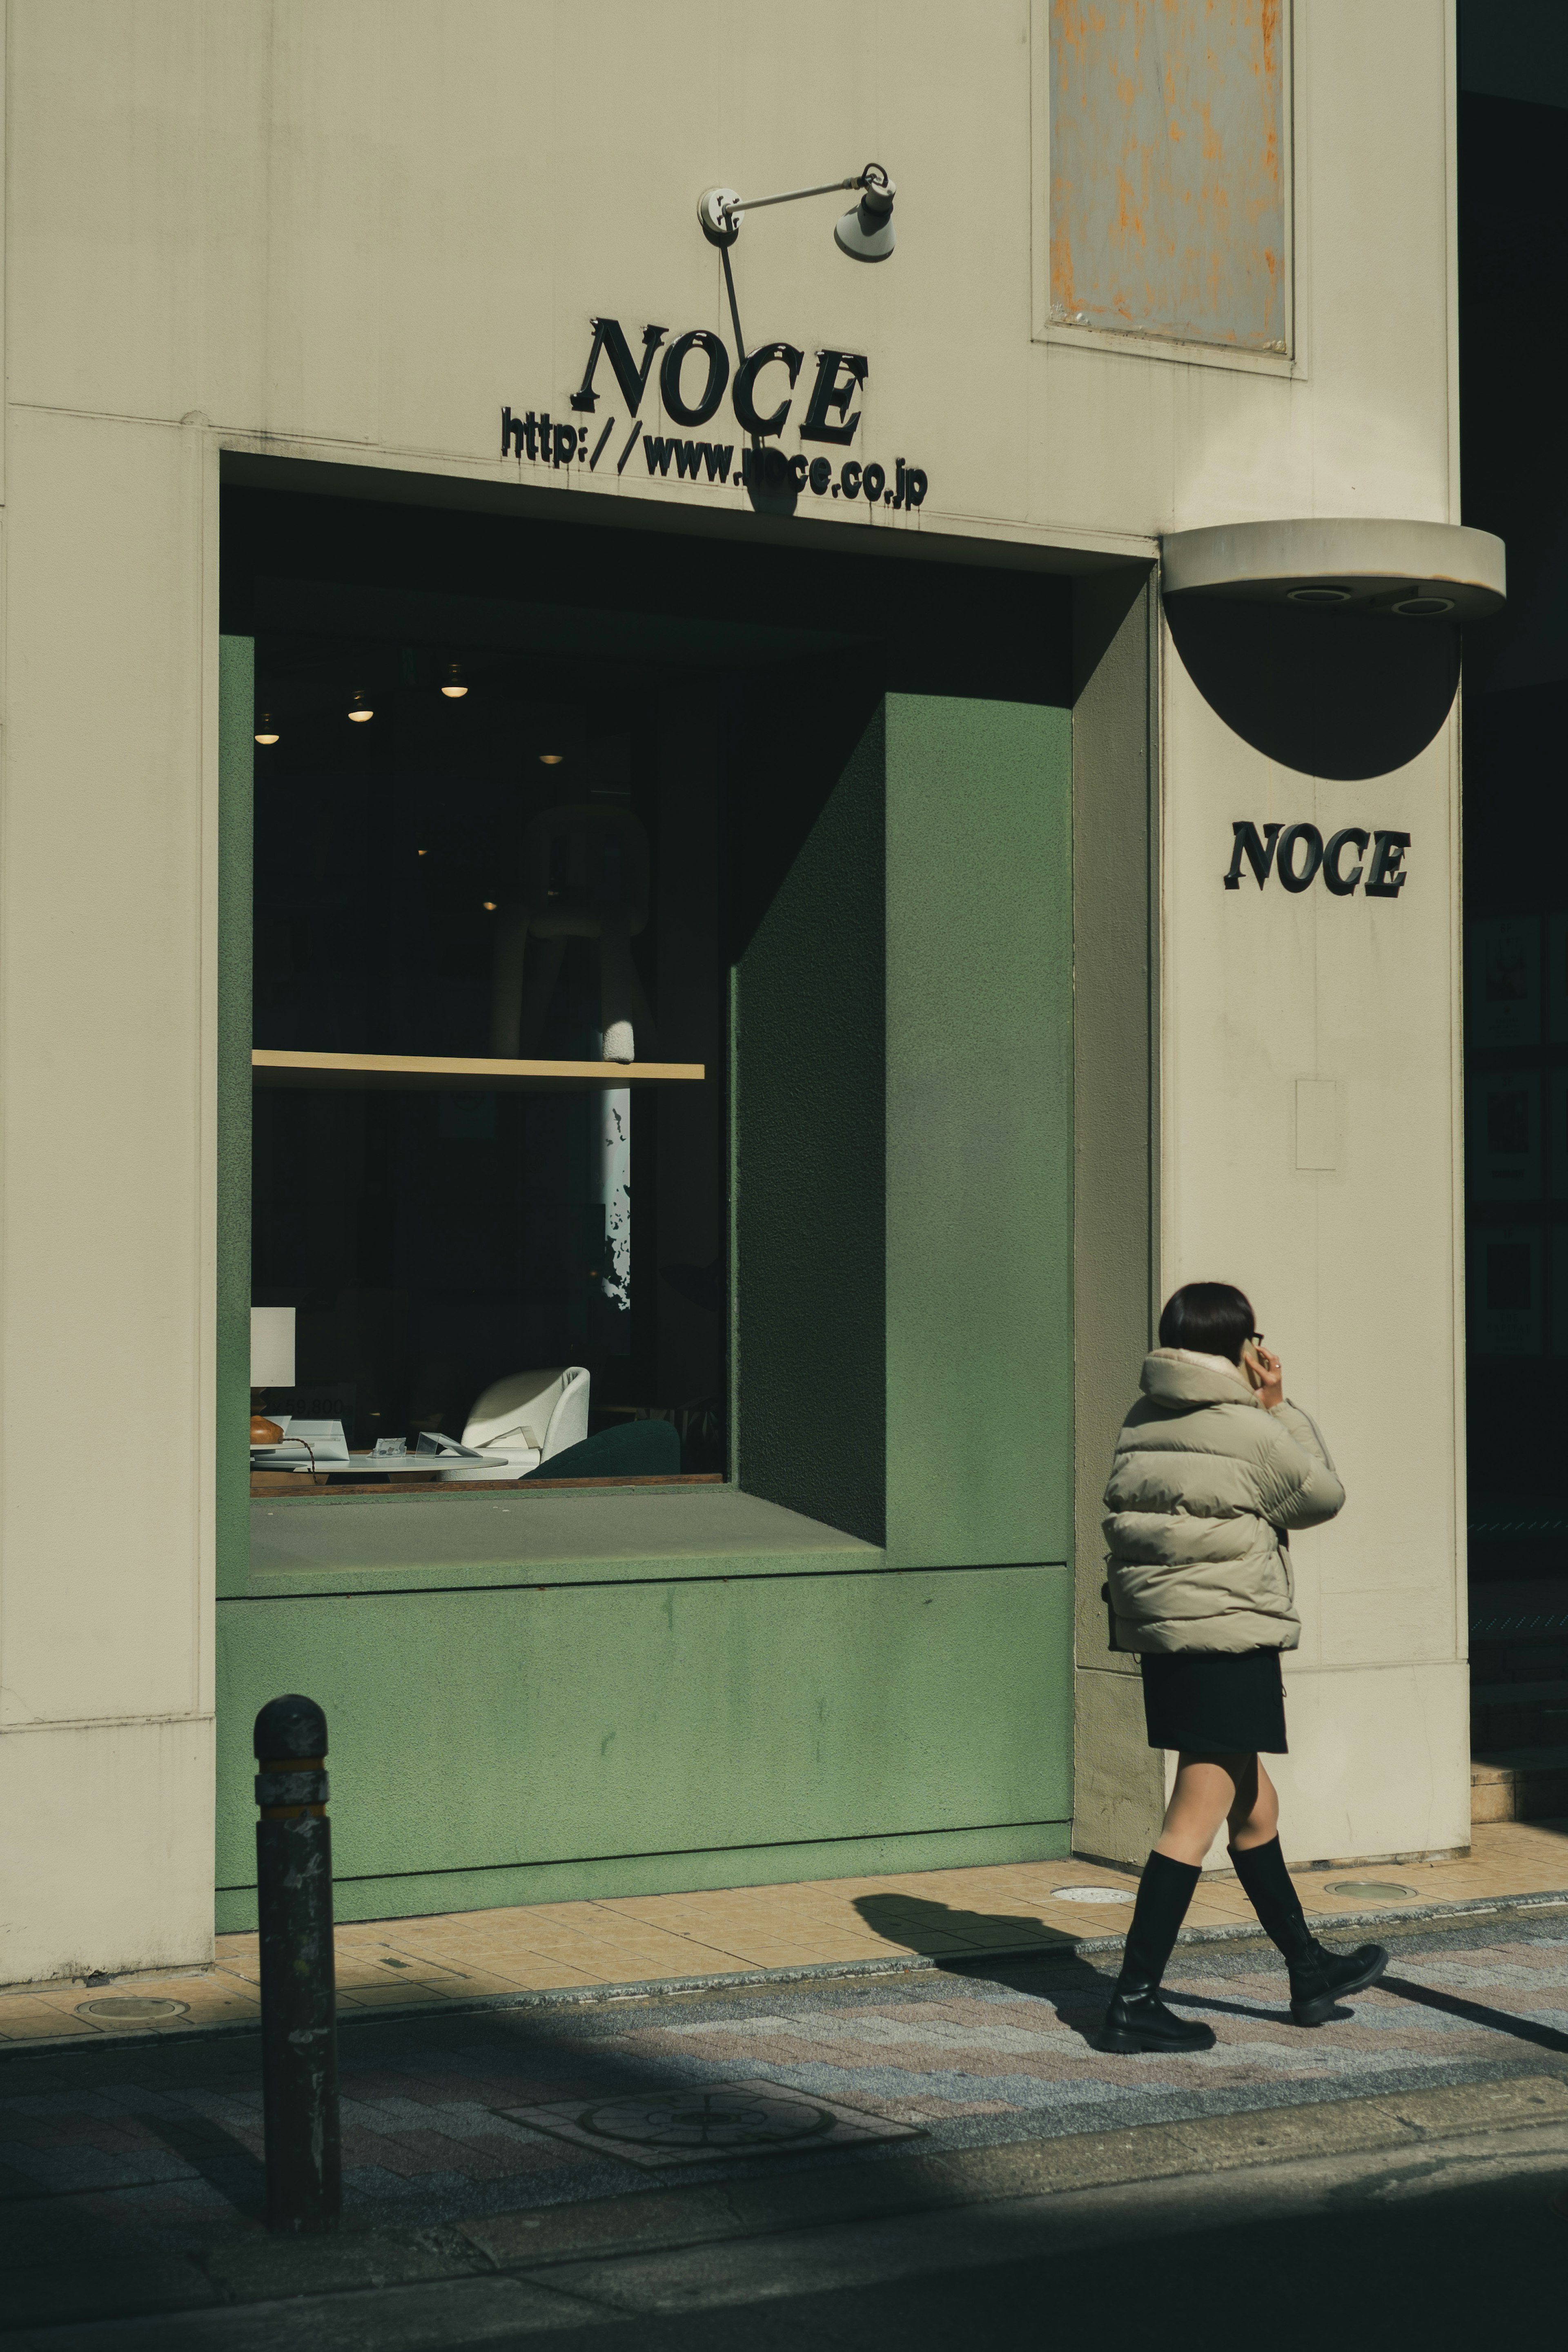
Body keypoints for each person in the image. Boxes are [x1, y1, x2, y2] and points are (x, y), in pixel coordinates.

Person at [1096, 1281, 1387, 2053]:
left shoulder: (1140, 1420)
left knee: (1254, 1807)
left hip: (1170, 1639)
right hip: (1227, 1639)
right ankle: (1132, 2002)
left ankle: (1307, 1969)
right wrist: (1278, 1404)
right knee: (1195, 1813)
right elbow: (1321, 1496)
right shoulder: (1245, 1430)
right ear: (1243, 1347)